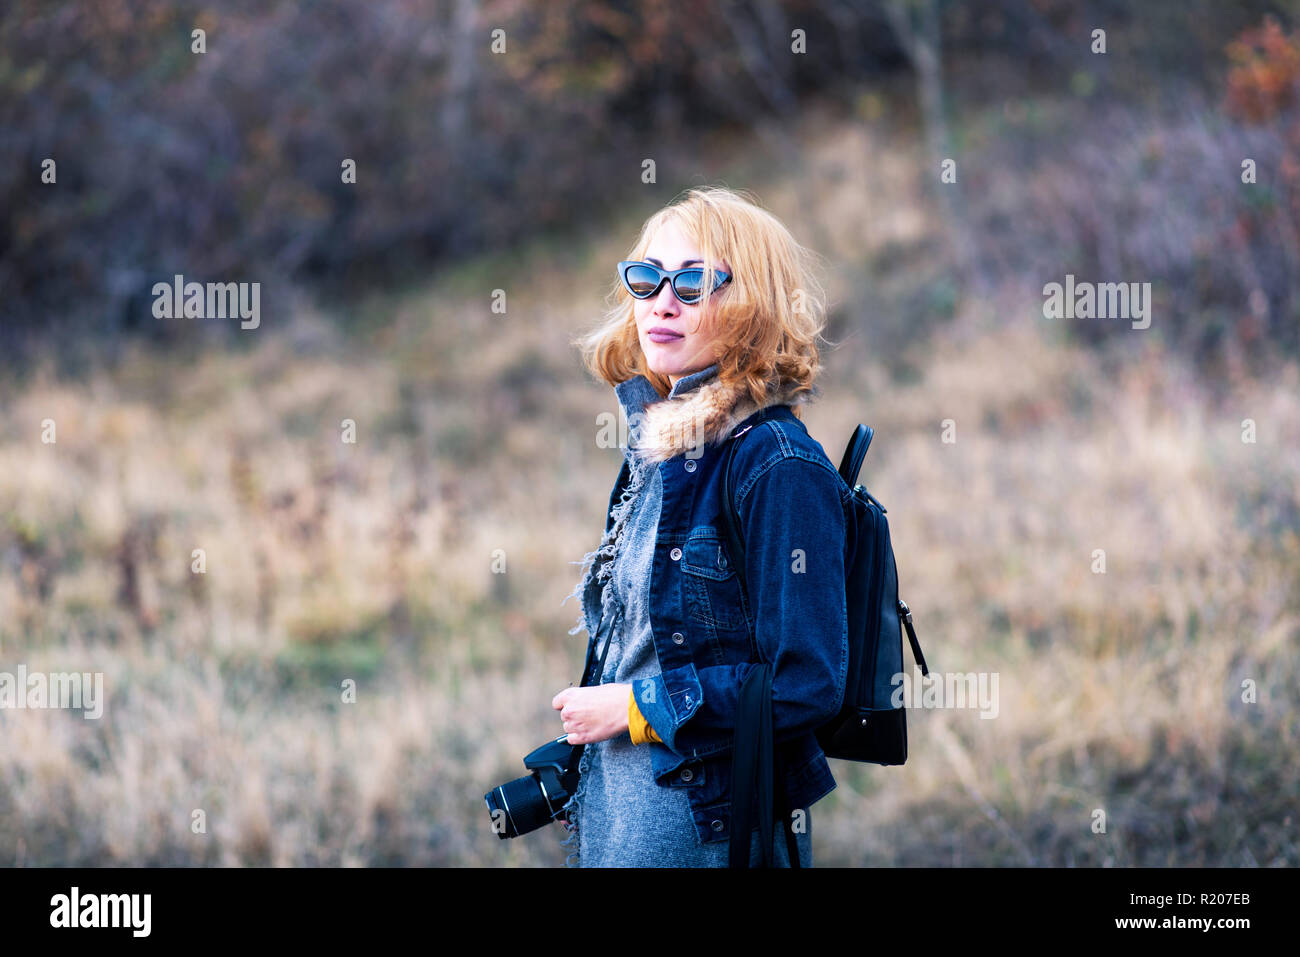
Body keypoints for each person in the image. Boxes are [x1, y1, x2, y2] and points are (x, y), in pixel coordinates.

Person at [555, 185, 850, 867]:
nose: (661, 301)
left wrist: (634, 708)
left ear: (751, 305)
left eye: (691, 283)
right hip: (619, 822)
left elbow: (804, 684)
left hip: (704, 833)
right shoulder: (666, 449)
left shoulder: (778, 465)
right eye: (647, 278)